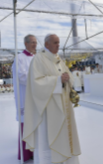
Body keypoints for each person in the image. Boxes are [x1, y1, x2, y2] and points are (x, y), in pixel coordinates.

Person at [23, 34, 81, 164]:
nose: (58, 45)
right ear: (47, 44)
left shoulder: (58, 59)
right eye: (55, 43)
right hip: (48, 109)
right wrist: (58, 80)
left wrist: (67, 79)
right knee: (48, 139)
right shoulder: (39, 59)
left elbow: (68, 75)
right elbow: (36, 83)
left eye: (58, 42)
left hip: (63, 105)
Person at [12, 34, 37, 161]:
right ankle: (26, 155)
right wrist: (37, 79)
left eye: (36, 42)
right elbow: (21, 76)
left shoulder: (37, 58)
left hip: (36, 97)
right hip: (25, 96)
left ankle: (35, 152)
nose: (35, 44)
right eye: (32, 42)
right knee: (25, 125)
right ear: (26, 44)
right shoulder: (19, 58)